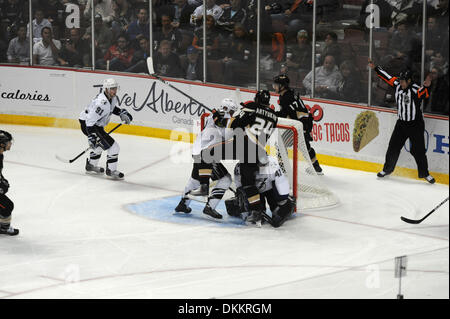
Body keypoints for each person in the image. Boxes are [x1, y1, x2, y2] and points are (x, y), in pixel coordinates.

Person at [213, 90, 278, 226]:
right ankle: (258, 210)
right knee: (250, 181)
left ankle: (255, 210)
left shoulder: (252, 107)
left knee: (209, 154)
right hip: (259, 150)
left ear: (257, 99)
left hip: (245, 146)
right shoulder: (274, 116)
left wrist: (221, 119)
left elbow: (236, 124)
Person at [368, 59, 436, 184]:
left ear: (409, 81)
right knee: (393, 147)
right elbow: (386, 76)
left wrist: (428, 86)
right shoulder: (397, 85)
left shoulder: (416, 90)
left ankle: (425, 173)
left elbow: (425, 94)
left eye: (403, 81)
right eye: (400, 80)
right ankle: (387, 169)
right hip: (401, 124)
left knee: (418, 150)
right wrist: (375, 68)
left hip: (415, 124)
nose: (401, 83)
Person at [174, 98, 237, 219]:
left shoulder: (216, 116)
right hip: (206, 155)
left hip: (198, 152)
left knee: (195, 180)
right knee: (226, 179)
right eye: (232, 112)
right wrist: (221, 119)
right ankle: (210, 207)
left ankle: (183, 204)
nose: (233, 115)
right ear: (226, 109)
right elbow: (223, 131)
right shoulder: (217, 117)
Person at [78, 78, 133, 179]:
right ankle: (111, 170)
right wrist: (91, 136)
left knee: (99, 145)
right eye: (112, 89)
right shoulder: (101, 103)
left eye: (115, 88)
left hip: (94, 125)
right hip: (89, 125)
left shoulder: (112, 98)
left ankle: (91, 165)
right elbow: (90, 120)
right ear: (106, 89)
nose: (114, 91)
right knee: (114, 147)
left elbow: (111, 108)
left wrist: (121, 112)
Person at [273, 74, 323, 175]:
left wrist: (272, 114)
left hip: (300, 125)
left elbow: (285, 114)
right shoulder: (291, 93)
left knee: (281, 144)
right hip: (305, 123)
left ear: (282, 86)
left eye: (276, 85)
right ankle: (316, 166)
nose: (274, 87)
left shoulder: (285, 97)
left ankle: (282, 168)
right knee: (305, 146)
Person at [229, 156, 295, 228]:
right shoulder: (240, 168)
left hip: (270, 189)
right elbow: (241, 188)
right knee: (253, 215)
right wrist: (252, 206)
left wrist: (283, 200)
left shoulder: (272, 164)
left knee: (278, 210)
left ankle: (287, 202)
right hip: (255, 191)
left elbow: (280, 182)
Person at [0, 130, 19, 236]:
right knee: (7, 206)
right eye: (8, 142)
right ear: (1, 144)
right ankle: (3, 228)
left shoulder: (0, 155)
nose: (10, 143)